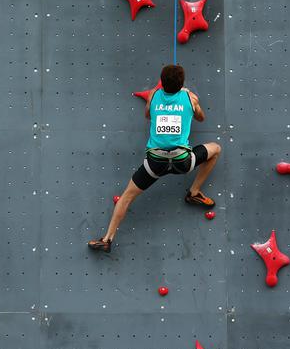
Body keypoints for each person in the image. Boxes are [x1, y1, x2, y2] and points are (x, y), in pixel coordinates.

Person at [88, 65, 221, 252]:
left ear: (162, 82)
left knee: (126, 197)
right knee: (215, 149)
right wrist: (191, 105)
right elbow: (201, 118)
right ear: (182, 83)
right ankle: (194, 191)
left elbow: (148, 115)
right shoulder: (191, 99)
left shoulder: (153, 96)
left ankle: (107, 238)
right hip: (182, 161)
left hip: (154, 163)